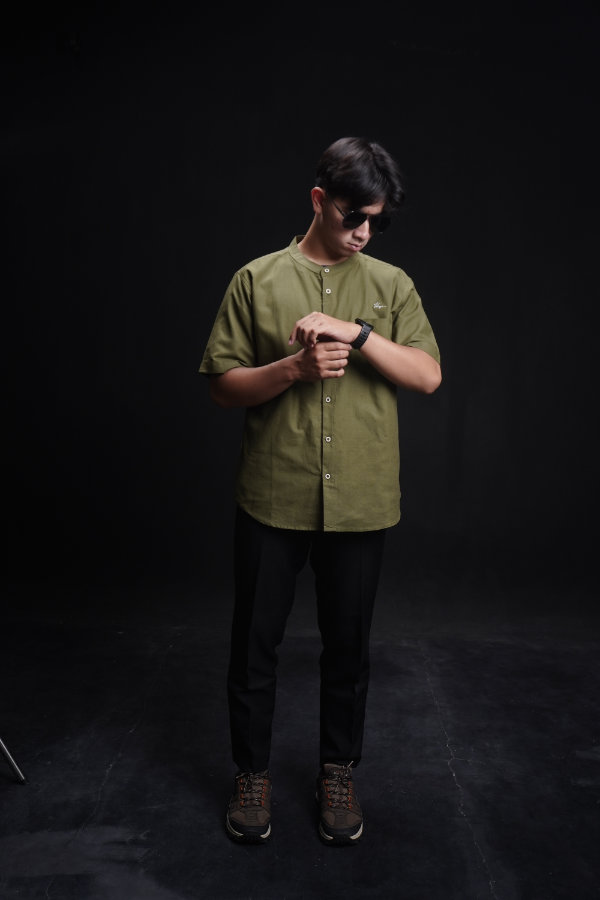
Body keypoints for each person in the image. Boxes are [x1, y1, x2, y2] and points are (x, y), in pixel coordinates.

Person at [198, 136, 441, 846]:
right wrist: (293, 371)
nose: (363, 232)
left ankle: (338, 770)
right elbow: (222, 387)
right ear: (318, 200)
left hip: (361, 498)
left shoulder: (391, 285)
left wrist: (356, 333)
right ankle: (252, 774)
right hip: (273, 493)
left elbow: (427, 375)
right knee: (254, 647)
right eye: (351, 216)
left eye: (376, 222)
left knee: (349, 649)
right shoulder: (256, 279)